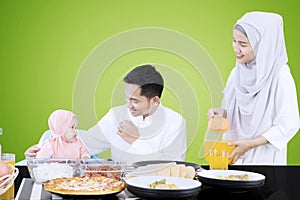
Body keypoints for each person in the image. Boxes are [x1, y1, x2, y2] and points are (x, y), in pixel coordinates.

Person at [26, 65, 186, 164]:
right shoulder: (116, 115)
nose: (128, 105)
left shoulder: (175, 123)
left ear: (155, 101)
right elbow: (83, 143)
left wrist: (135, 141)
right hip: (118, 188)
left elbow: (174, 169)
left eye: (135, 101)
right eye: (126, 98)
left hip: (157, 191)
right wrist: (39, 153)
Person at [208, 11, 299, 165]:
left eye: (243, 44)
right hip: (234, 157)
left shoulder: (280, 76)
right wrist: (219, 113)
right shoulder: (237, 72)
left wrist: (249, 144)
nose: (236, 48)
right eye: (234, 41)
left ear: (263, 46)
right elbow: (230, 108)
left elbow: (289, 125)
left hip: (264, 161)